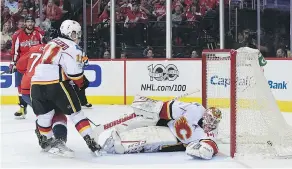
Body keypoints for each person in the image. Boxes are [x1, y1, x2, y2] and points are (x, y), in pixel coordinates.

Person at [30, 20, 101, 157]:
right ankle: (90, 140)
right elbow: (74, 73)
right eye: (76, 33)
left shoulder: (52, 42)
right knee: (76, 113)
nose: (77, 36)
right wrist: (81, 82)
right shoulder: (73, 47)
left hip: (36, 84)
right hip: (56, 83)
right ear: (70, 33)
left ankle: (47, 141)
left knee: (45, 116)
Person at [101, 95, 222, 160]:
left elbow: (211, 146)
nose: (211, 123)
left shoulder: (211, 133)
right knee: (147, 119)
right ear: (206, 114)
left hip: (177, 141)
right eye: (210, 119)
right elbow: (170, 108)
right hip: (168, 123)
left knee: (150, 139)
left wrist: (204, 151)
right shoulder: (196, 109)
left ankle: (120, 147)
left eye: (214, 121)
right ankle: (123, 129)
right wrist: (155, 107)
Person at [16, 32, 71, 157]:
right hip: (45, 87)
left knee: (44, 113)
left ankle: (44, 137)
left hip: (26, 89)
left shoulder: (33, 48)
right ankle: (59, 140)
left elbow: (20, 66)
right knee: (57, 113)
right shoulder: (58, 51)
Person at [9, 15, 44, 119]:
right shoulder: (18, 35)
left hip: (36, 65)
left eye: (32, 21)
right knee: (20, 87)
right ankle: (22, 108)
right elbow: (15, 51)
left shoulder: (39, 33)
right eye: (28, 22)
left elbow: (44, 47)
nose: (30, 24)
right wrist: (13, 63)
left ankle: (42, 106)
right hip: (22, 65)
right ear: (25, 23)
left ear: (34, 23)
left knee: (39, 86)